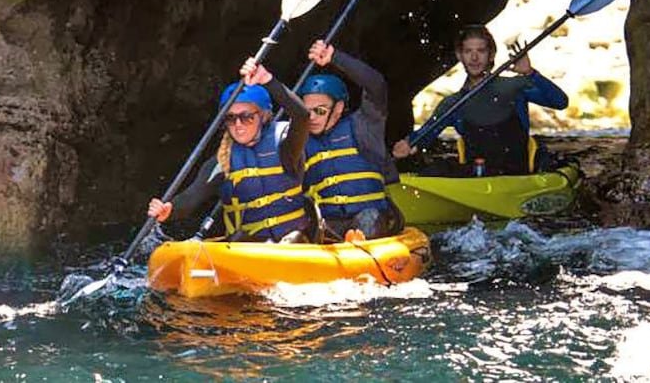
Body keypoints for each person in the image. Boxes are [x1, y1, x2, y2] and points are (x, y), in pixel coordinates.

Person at [147, 57, 313, 243]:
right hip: (248, 247)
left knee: (292, 240)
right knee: (240, 238)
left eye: (247, 117)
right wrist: (169, 210)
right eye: (231, 118)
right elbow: (192, 197)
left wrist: (267, 79)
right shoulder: (222, 160)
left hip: (295, 244)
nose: (238, 125)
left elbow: (302, 116)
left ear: (264, 116)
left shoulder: (285, 146)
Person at [392, 24, 568, 176]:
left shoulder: (515, 87)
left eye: (481, 51)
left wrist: (531, 73)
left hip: (516, 173)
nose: (474, 58)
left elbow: (560, 102)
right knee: (432, 169)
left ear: (491, 55)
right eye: (468, 51)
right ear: (460, 56)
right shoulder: (453, 104)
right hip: (476, 175)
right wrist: (408, 144)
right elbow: (426, 133)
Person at [296, 40, 403, 241]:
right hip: (330, 225)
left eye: (320, 111)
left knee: (368, 220)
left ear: (338, 108)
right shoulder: (300, 140)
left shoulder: (364, 126)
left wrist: (334, 57)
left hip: (371, 221)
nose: (312, 118)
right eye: (306, 111)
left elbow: (376, 85)